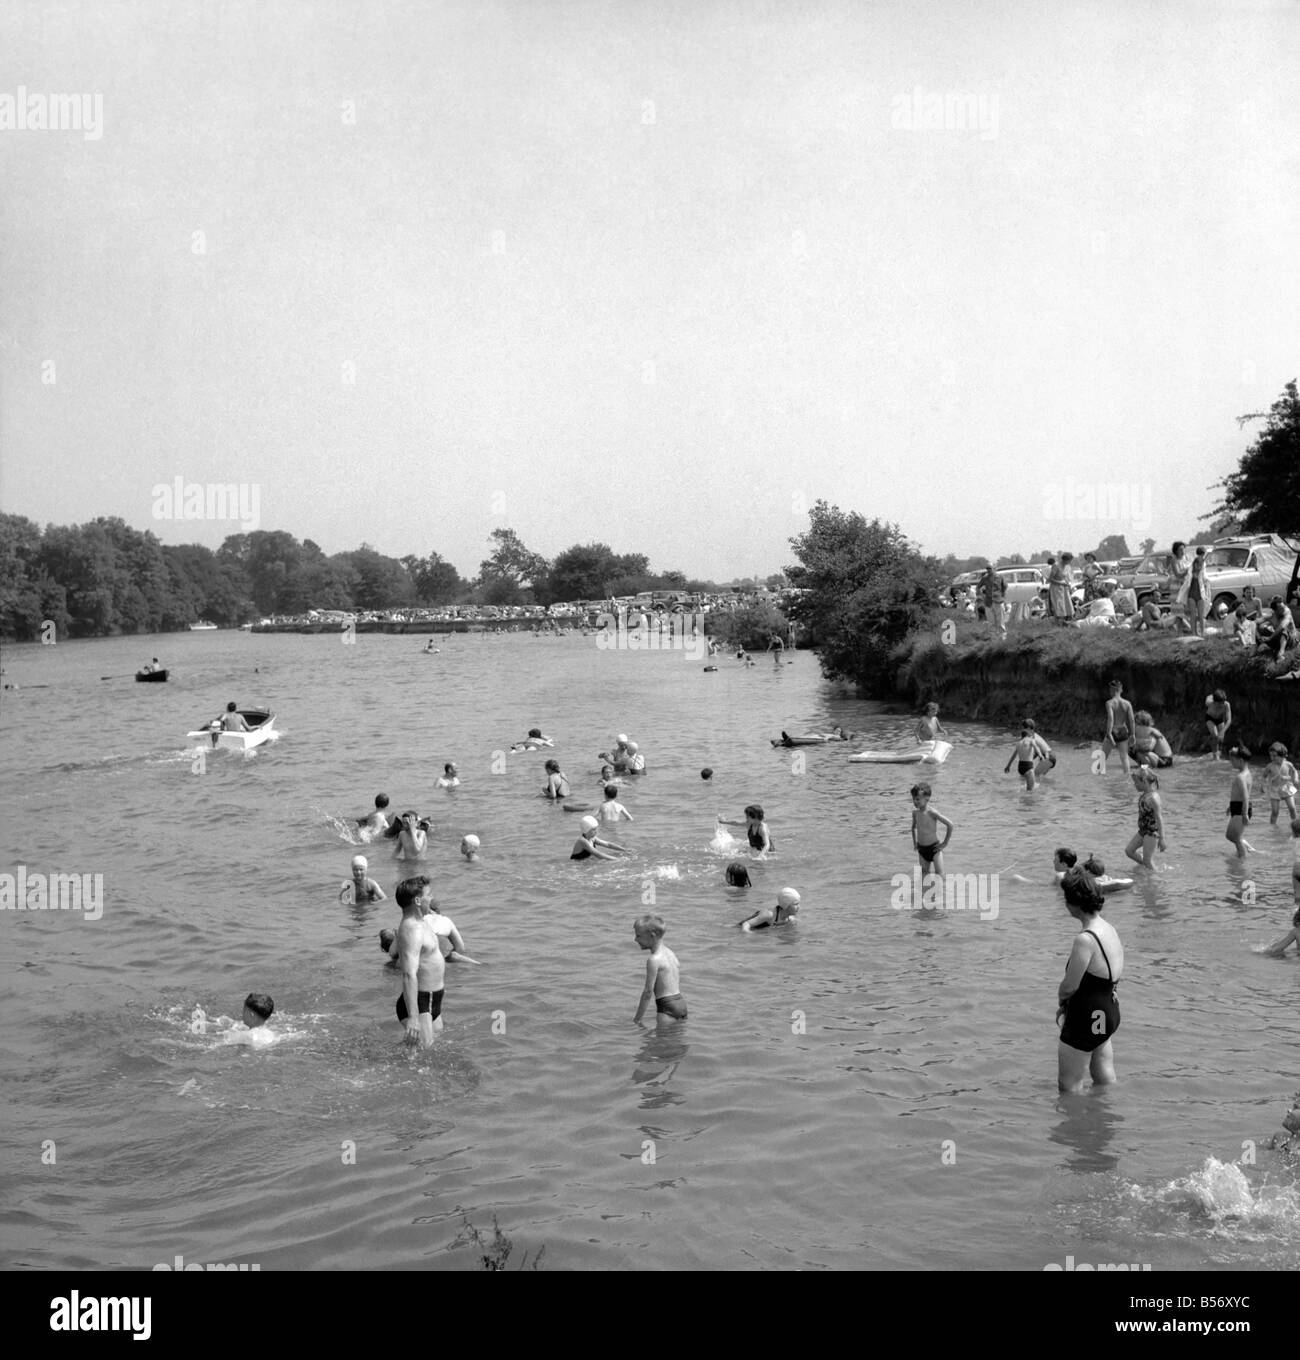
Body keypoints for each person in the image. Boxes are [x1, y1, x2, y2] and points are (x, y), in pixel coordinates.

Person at [1055, 865, 1123, 1092]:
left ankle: (1077, 1126)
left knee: (1069, 1085)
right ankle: (1106, 1119)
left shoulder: (1085, 939)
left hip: (1087, 1016)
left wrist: (1062, 1002)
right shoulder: (1108, 928)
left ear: (1073, 903)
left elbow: (1069, 986)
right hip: (1106, 1013)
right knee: (1104, 1077)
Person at [393, 875, 445, 1047]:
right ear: (417, 900)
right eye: (428, 895)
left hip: (433, 999)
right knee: (426, 1055)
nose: (431, 898)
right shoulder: (411, 928)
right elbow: (408, 974)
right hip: (421, 1001)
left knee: (426, 1052)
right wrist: (413, 1018)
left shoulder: (421, 922)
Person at [632, 915, 686, 1023]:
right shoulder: (671, 953)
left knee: (662, 1039)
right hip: (681, 1004)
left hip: (666, 1006)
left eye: (638, 936)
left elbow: (648, 992)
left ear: (652, 936)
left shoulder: (654, 960)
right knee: (675, 1039)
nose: (635, 939)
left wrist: (637, 1020)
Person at [1124, 768, 1165, 868]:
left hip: (1151, 832)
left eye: (1136, 782)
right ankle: (1147, 866)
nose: (1135, 785)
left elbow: (1159, 818)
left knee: (1148, 860)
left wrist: (1162, 839)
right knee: (1129, 851)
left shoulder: (1153, 798)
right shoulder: (1145, 795)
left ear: (1145, 781)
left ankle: (1155, 878)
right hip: (1143, 830)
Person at [910, 783, 952, 879]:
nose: (915, 802)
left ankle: (943, 893)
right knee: (924, 875)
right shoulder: (915, 813)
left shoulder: (932, 813)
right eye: (913, 799)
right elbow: (913, 827)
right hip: (922, 850)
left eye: (917, 799)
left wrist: (945, 843)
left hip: (934, 849)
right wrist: (914, 843)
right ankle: (926, 893)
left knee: (940, 875)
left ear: (927, 798)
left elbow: (950, 825)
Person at [1004, 720, 1053, 791]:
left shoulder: (1026, 740)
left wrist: (1008, 766)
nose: (1022, 729)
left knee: (1035, 778)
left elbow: (1046, 751)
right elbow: (1036, 750)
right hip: (1031, 764)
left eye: (1023, 728)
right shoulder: (1030, 739)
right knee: (1032, 787)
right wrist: (1040, 756)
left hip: (1049, 757)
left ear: (1029, 728)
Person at [1225, 746, 1254, 858]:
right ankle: (1248, 849)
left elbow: (1246, 796)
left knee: (1234, 837)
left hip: (1242, 809)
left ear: (1241, 760)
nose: (1231, 762)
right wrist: (1230, 806)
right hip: (1238, 807)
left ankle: (1242, 858)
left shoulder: (1241, 777)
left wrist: (1245, 813)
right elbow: (1238, 795)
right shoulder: (1247, 773)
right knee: (1232, 835)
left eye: (1233, 760)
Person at [1100, 679, 1135, 772]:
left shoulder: (1109, 703)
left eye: (1109, 689)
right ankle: (1126, 780)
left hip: (1113, 731)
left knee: (1102, 758)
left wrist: (1109, 733)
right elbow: (1131, 720)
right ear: (1120, 690)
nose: (1109, 691)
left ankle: (1098, 780)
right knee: (1124, 758)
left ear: (1113, 690)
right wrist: (1133, 734)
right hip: (1123, 731)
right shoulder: (1127, 704)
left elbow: (1111, 718)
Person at [1264, 744, 1299, 823]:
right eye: (1270, 755)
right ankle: (1272, 828)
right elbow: (1264, 776)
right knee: (1275, 812)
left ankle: (1295, 825)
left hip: (1286, 788)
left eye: (1274, 756)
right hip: (1274, 790)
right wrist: (1262, 785)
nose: (1272, 758)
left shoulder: (1288, 764)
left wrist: (1296, 778)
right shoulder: (1270, 766)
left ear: (1282, 756)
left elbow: (1294, 771)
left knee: (1292, 808)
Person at [1169, 540, 1192, 633]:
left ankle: (1188, 628)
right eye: (1180, 550)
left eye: (1183, 549)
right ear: (1176, 551)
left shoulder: (1186, 558)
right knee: (1178, 611)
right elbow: (1178, 574)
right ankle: (1179, 631)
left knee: (1187, 608)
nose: (1182, 551)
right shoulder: (1174, 560)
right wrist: (1187, 570)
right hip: (1177, 587)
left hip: (1186, 585)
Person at [978, 564, 1007, 633]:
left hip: (998, 600)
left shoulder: (1000, 577)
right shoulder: (985, 578)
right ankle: (993, 638)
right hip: (988, 602)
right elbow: (978, 587)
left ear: (994, 568)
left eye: (990, 568)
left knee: (1000, 621)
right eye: (987, 569)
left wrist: (1002, 596)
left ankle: (1002, 637)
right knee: (991, 621)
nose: (988, 570)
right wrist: (982, 595)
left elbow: (1005, 587)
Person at [1186, 546, 1208, 637]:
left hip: (1200, 594)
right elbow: (1186, 582)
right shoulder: (1190, 573)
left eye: (1201, 565)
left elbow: (1205, 580)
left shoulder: (1202, 574)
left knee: (1200, 615)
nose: (1199, 566)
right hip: (1192, 594)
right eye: (1198, 565)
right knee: (1193, 614)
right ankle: (1194, 632)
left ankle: (1202, 632)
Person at [1204, 691, 1232, 760]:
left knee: (1221, 738)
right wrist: (1213, 695)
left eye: (1223, 702)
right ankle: (1215, 756)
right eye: (1220, 703)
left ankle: (1218, 753)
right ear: (1214, 701)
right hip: (1210, 718)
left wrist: (1223, 731)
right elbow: (1209, 697)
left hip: (1220, 719)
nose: (1222, 704)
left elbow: (1229, 720)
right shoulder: (1209, 702)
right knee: (1215, 735)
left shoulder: (1226, 704)